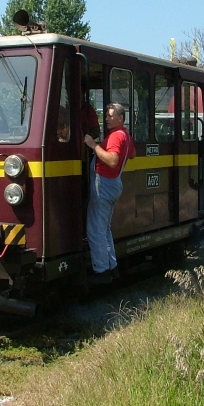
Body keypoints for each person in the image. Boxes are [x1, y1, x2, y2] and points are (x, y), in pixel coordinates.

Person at [84, 103, 136, 284]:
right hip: (114, 184)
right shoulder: (125, 136)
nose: (106, 118)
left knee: (95, 229)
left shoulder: (115, 136)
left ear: (120, 118)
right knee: (104, 228)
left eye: (110, 115)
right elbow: (132, 155)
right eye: (106, 115)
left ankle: (101, 271)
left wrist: (93, 145)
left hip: (104, 184)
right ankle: (112, 267)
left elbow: (113, 161)